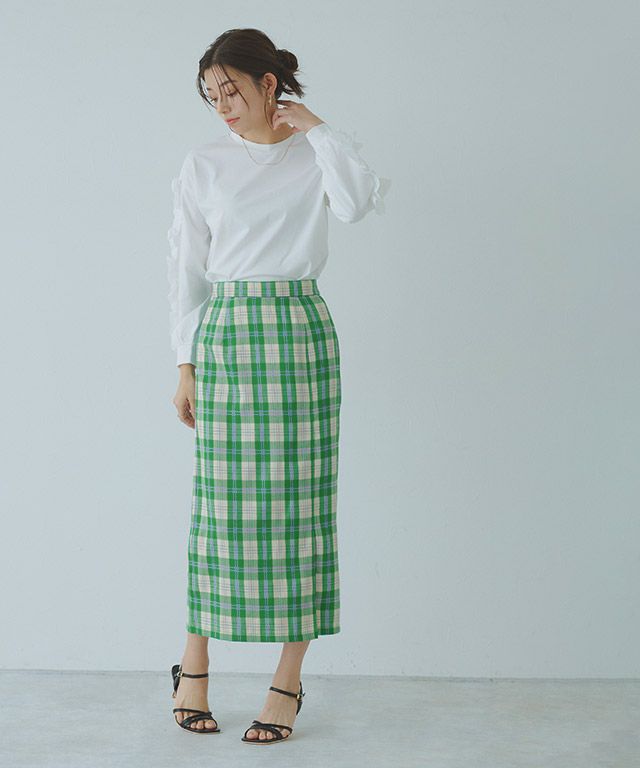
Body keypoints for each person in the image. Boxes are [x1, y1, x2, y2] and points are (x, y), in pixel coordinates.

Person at [167, 27, 390, 744]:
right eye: (211, 96)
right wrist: (184, 364)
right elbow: (187, 268)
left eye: (232, 90)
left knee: (302, 509)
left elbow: (358, 203)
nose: (223, 106)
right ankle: (192, 666)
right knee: (218, 510)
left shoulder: (314, 154)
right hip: (227, 336)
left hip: (299, 333)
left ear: (269, 84)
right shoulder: (204, 164)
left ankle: (287, 681)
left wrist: (320, 129)